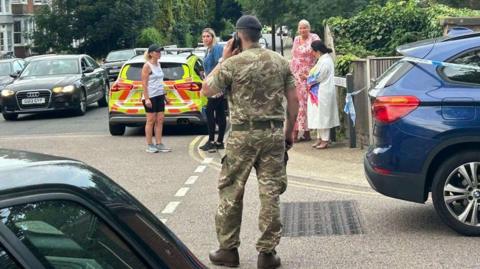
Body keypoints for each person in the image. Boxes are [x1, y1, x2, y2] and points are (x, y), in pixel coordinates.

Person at [202, 15, 298, 269]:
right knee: (270, 193)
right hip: (273, 134)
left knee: (231, 191)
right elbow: (294, 100)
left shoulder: (232, 64)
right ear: (258, 35)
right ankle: (267, 254)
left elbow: (207, 90)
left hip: (242, 136)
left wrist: (224, 59)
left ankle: (228, 250)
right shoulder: (280, 62)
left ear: (238, 36)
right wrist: (290, 132)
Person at [290, 19, 320, 142]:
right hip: (297, 75)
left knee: (307, 103)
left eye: (305, 27)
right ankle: (295, 132)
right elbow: (293, 56)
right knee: (297, 103)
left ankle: (307, 132)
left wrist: (311, 72)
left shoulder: (314, 38)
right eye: (301, 28)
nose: (303, 30)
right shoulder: (296, 39)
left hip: (309, 74)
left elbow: (319, 53)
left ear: (309, 28)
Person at [307, 40, 340, 149]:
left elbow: (318, 76)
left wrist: (307, 78)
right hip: (319, 91)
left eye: (313, 51)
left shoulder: (325, 61)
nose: (312, 53)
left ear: (317, 51)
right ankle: (320, 138)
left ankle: (325, 139)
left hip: (323, 91)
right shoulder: (323, 60)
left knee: (323, 116)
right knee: (319, 115)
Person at [199, 28, 227, 153]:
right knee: (220, 113)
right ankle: (219, 142)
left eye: (208, 36)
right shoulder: (208, 50)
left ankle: (212, 141)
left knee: (210, 112)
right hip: (211, 84)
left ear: (213, 37)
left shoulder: (217, 48)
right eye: (204, 36)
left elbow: (221, 64)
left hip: (216, 85)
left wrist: (209, 79)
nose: (205, 38)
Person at [142, 44, 171, 153]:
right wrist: (147, 98)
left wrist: (165, 95)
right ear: (151, 53)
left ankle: (159, 143)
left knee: (160, 120)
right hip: (150, 96)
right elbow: (144, 83)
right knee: (150, 120)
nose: (159, 53)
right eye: (157, 52)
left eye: (160, 52)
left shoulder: (158, 64)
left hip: (159, 95)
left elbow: (159, 82)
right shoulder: (147, 66)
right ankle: (150, 145)